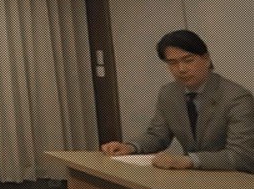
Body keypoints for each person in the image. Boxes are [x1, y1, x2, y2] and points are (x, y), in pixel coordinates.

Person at [100, 30, 254, 172]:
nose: (181, 69)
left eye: (188, 60)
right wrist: (130, 147)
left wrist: (189, 161)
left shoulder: (236, 97)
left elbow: (241, 156)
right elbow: (158, 135)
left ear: (206, 59)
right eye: (172, 63)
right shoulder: (169, 93)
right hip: (193, 177)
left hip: (234, 179)